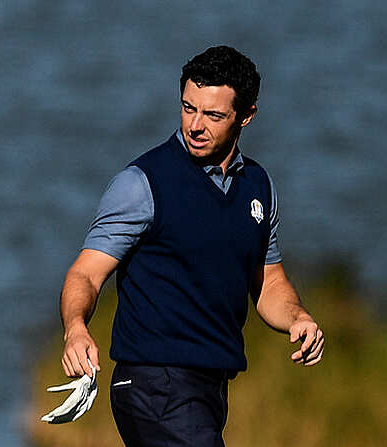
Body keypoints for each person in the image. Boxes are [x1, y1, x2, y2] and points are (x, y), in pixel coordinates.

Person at [57, 45, 325, 446]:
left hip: (212, 388)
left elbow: (268, 284)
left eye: (213, 115)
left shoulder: (258, 186)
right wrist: (75, 328)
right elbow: (86, 274)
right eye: (188, 108)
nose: (195, 125)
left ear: (246, 115)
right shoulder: (142, 183)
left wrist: (298, 318)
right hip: (153, 383)